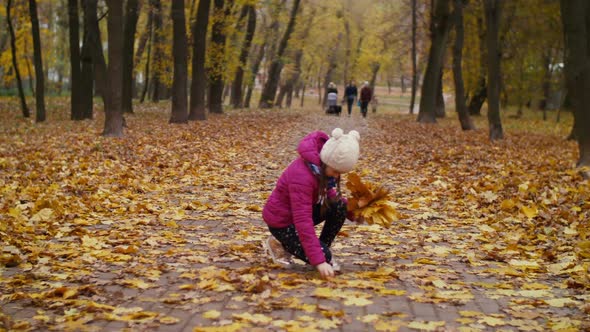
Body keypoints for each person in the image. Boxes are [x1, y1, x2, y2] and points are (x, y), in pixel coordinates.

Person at [262, 128, 361, 279]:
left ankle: (317, 249)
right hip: (282, 222)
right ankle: (280, 241)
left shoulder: (321, 167)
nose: (337, 176)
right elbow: (303, 221)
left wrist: (354, 213)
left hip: (297, 216)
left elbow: (331, 196)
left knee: (339, 206)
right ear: (327, 161)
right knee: (324, 258)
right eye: (335, 172)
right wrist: (319, 260)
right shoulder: (302, 177)